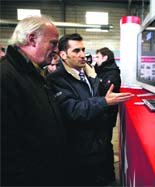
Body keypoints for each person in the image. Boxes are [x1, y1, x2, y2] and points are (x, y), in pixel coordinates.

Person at [46, 33, 133, 186]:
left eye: (83, 50)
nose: (82, 55)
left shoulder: (88, 73)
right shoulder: (57, 80)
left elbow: (91, 97)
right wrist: (104, 101)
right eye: (76, 51)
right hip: (80, 154)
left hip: (100, 147)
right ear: (63, 54)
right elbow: (73, 110)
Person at [0, 16, 66, 186]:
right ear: (32, 39)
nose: (57, 49)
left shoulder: (34, 73)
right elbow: (7, 150)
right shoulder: (6, 77)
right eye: (53, 43)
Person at [94, 47, 121, 183]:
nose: (95, 60)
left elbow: (102, 91)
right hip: (102, 113)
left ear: (105, 58)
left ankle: (108, 177)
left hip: (106, 116)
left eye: (97, 57)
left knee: (104, 145)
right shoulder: (103, 71)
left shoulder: (111, 73)